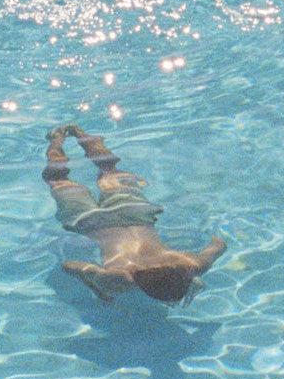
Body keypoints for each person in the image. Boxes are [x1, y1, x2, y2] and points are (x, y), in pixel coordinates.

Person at [43, 124, 226, 304]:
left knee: (110, 170)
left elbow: (219, 244)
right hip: (93, 223)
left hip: (136, 214)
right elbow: (69, 266)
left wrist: (193, 276)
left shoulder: (191, 264)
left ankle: (75, 133)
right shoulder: (120, 279)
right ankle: (57, 140)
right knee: (57, 179)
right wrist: (97, 285)